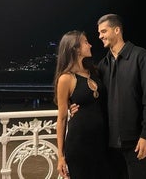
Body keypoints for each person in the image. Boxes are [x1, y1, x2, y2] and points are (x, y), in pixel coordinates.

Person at [70, 14, 146, 179]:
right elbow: (93, 94)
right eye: (99, 32)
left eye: (104, 31)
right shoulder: (103, 65)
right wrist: (75, 105)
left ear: (117, 30)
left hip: (136, 143)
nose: (100, 36)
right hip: (108, 145)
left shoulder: (141, 57)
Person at [53, 30, 109, 179]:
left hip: (101, 142)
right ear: (75, 48)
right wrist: (60, 157)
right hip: (79, 145)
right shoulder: (66, 78)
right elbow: (62, 118)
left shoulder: (94, 72)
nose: (90, 44)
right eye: (86, 42)